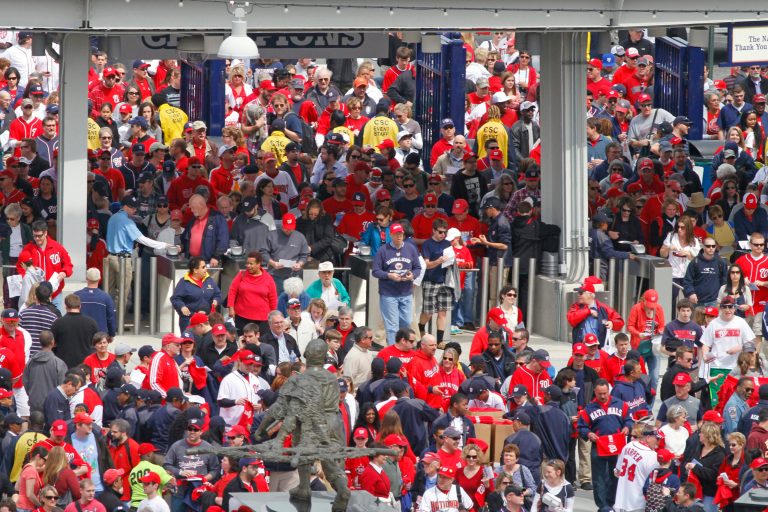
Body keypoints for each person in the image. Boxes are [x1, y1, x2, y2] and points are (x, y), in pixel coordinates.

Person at [106, 196, 173, 305]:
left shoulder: (113, 217)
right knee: (122, 295)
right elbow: (143, 240)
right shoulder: (127, 221)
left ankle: (107, 320)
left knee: (108, 294)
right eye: (133, 207)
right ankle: (117, 321)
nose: (135, 210)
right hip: (122, 260)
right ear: (125, 207)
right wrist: (165, 245)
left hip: (109, 258)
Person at [578, 378, 631, 512]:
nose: (603, 396)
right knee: (599, 478)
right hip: (599, 446)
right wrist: (588, 434)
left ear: (609, 391)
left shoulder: (621, 404)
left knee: (615, 475)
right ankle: (603, 506)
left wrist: (627, 427)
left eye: (605, 393)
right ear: (594, 392)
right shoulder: (588, 408)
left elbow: (629, 420)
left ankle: (613, 503)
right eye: (600, 393)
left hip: (617, 445)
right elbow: (581, 427)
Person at [372, 223, 421, 345]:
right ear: (391, 235)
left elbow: (417, 267)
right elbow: (375, 271)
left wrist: (412, 275)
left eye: (400, 234)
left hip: (406, 292)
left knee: (407, 321)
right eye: (396, 234)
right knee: (392, 325)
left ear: (403, 234)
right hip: (389, 293)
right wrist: (389, 275)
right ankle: (393, 350)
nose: (399, 236)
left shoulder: (411, 249)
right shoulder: (383, 250)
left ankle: (403, 347)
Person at [15, 220, 73, 312]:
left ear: (45, 233)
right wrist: (25, 279)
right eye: (34, 236)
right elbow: (20, 268)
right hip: (35, 295)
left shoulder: (57, 248)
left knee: (55, 321)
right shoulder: (28, 249)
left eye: (39, 236)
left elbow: (68, 265)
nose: (37, 238)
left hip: (54, 294)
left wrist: (64, 273)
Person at [227, 251, 277, 333]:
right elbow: (232, 291)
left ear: (259, 264)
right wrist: (231, 308)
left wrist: (272, 316)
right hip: (242, 317)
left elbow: (273, 299)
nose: (248, 266)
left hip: (262, 320)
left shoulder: (268, 279)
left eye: (251, 264)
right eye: (247, 263)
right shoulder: (241, 275)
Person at [170, 257, 221, 332]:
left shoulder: (209, 280)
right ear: (195, 270)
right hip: (189, 320)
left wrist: (216, 300)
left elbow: (217, 294)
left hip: (207, 320)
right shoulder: (184, 282)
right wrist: (182, 306)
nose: (206, 269)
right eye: (203, 267)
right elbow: (175, 298)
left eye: (206, 266)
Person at [50, 294, 99, 369]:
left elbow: (52, 344)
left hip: (63, 365)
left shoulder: (58, 323)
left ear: (65, 306)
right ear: (80, 306)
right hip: (85, 365)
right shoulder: (91, 323)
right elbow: (96, 344)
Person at [682, 236, 728, 307]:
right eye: (708, 246)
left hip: (714, 301)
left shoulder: (721, 262)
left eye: (713, 246)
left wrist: (723, 297)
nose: (711, 248)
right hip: (697, 301)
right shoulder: (695, 262)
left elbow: (725, 281)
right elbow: (687, 281)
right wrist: (691, 293)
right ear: (703, 247)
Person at [74, 268, 116, 339]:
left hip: (80, 335)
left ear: (86, 278)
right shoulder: (106, 297)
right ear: (99, 278)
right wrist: (112, 334)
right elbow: (111, 318)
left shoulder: (76, 295)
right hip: (100, 336)